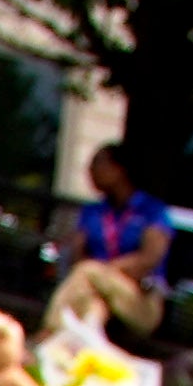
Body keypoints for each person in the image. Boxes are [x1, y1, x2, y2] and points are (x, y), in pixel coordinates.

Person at [45, 145, 171, 352]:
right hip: (97, 292)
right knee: (93, 306)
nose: (90, 171)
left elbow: (150, 257)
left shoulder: (152, 211)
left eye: (97, 163)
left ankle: (48, 333)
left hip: (139, 298)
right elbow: (77, 258)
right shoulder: (92, 211)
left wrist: (105, 271)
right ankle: (70, 354)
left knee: (89, 271)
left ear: (119, 169)